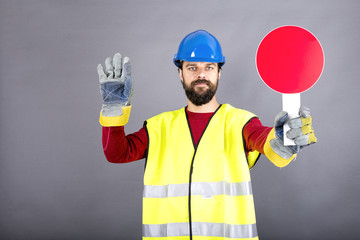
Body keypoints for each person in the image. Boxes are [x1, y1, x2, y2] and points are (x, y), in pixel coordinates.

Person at [97, 30, 317, 240]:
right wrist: (114, 111)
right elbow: (117, 153)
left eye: (209, 67)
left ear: (219, 72)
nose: (201, 74)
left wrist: (284, 141)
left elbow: (265, 141)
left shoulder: (241, 123)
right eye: (192, 67)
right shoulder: (158, 127)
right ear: (180, 73)